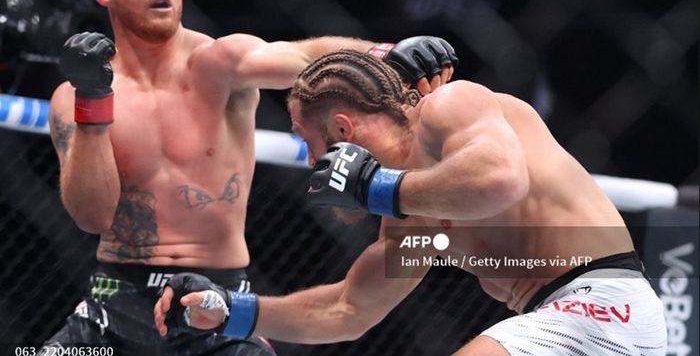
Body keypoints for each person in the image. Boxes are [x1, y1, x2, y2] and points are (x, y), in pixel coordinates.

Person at [44, 0, 457, 355]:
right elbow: (93, 217)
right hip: (112, 305)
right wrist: (93, 100)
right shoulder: (73, 95)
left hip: (214, 300)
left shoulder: (220, 63)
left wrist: (386, 54)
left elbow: (305, 56)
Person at [154, 50, 668, 356]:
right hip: (563, 320)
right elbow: (348, 309)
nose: (310, 161)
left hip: (604, 303)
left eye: (307, 141)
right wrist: (232, 312)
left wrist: (376, 187)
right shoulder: (418, 227)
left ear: (342, 131)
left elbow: (500, 181)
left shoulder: (450, 109)